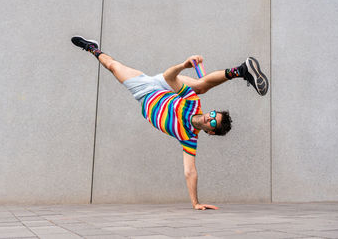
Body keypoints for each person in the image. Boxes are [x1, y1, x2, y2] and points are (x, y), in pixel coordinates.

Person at [71, 36, 269, 210]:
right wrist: (184, 65)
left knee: (112, 66)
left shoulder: (189, 137)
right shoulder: (193, 103)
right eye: (213, 114)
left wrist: (195, 203)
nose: (209, 117)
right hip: (162, 85)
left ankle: (92, 47)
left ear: (211, 133)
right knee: (199, 87)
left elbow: (190, 171)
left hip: (144, 92)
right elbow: (168, 77)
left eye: (213, 123)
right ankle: (242, 70)